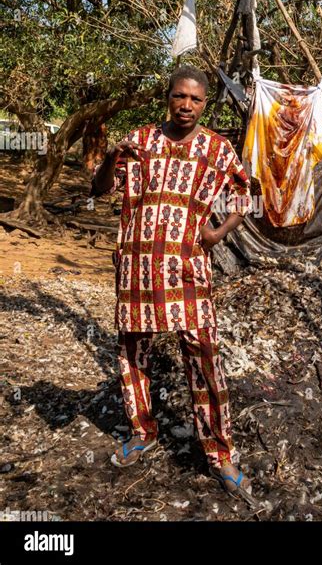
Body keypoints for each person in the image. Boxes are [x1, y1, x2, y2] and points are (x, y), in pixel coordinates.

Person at [91, 65, 255, 506]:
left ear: (205, 104)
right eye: (179, 97)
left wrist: (217, 234)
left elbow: (244, 196)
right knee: (132, 353)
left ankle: (220, 454)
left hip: (186, 270)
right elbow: (100, 187)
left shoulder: (216, 149)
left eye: (195, 99)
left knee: (203, 356)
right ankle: (142, 431)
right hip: (138, 270)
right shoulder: (140, 141)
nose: (186, 105)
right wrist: (111, 157)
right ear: (168, 97)